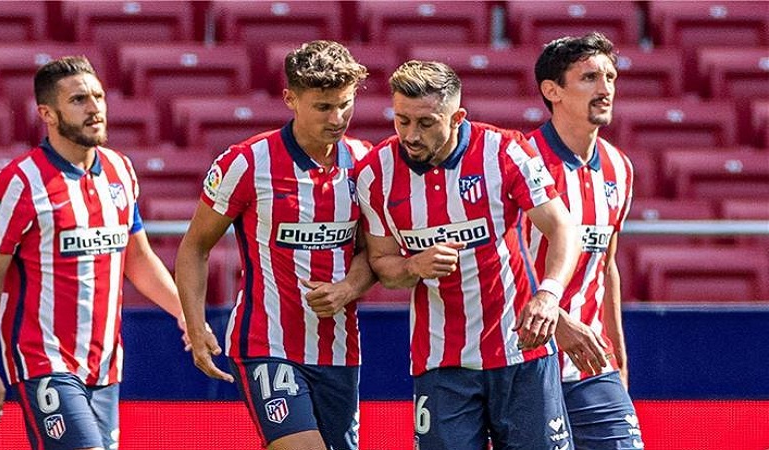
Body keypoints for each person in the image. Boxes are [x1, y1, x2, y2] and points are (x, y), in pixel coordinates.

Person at [355, 60, 580, 450]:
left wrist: (548, 295)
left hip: (521, 351)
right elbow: (383, 265)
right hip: (442, 363)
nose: (411, 134)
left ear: (457, 117)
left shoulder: (505, 151)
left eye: (426, 123)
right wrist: (413, 265)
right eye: (402, 120)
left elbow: (563, 228)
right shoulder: (375, 173)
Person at [0, 56, 188, 450]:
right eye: (79, 100)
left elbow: (138, 259)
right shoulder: (18, 183)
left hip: (105, 365)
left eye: (98, 97)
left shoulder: (120, 170)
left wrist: (185, 313)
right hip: (43, 359)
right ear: (47, 114)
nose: (95, 108)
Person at [174, 40, 376, 450]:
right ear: (290, 99)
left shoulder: (365, 162)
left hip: (339, 349)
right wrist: (196, 327)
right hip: (267, 343)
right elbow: (195, 247)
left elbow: (372, 253)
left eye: (345, 105)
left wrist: (347, 289)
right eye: (323, 107)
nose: (337, 118)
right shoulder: (247, 162)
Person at [524, 32, 643, 449]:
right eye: (590, 78)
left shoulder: (619, 167)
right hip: (523, 361)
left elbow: (605, 266)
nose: (605, 88)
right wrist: (557, 322)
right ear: (552, 91)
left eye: (610, 77)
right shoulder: (519, 160)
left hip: (592, 364)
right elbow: (498, 266)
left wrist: (619, 358)